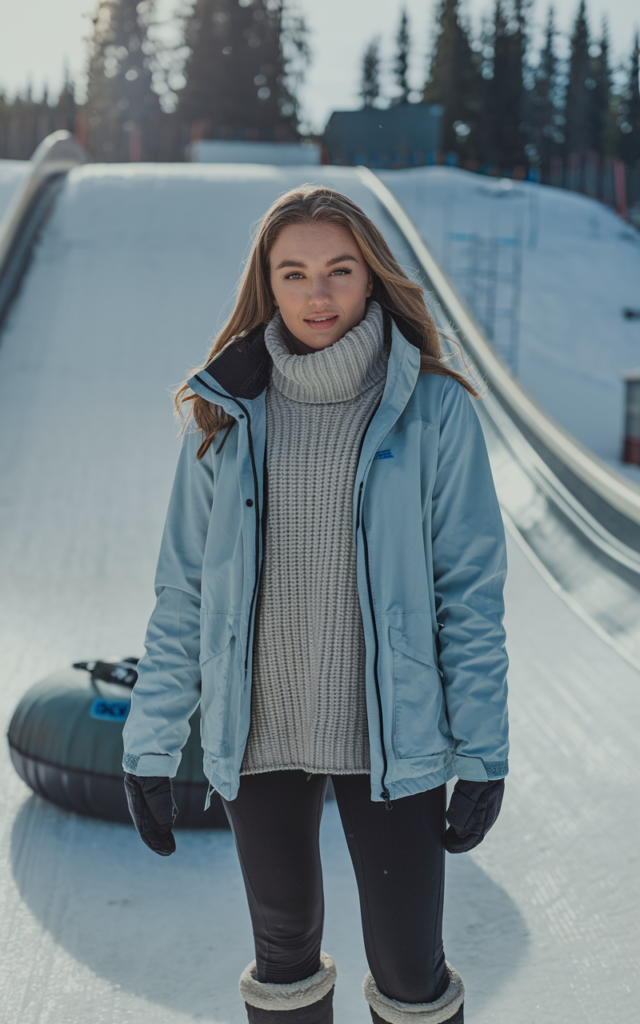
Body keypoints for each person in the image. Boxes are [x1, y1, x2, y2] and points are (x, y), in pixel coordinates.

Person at [122, 184, 509, 1024]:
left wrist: (482, 748)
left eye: (339, 269)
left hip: (392, 734)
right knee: (283, 954)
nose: (319, 294)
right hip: (258, 729)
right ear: (268, 283)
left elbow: (468, 596)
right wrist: (151, 741)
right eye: (294, 273)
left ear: (371, 278)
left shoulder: (434, 410)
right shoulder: (221, 415)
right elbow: (183, 591)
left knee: (411, 972)